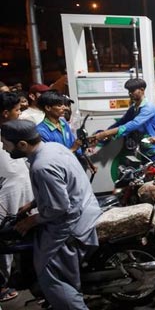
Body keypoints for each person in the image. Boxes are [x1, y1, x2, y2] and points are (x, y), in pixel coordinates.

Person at [1, 120, 101, 310]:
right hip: (87, 209)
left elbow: (59, 207)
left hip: (72, 225)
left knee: (51, 276)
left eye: (6, 144)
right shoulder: (55, 148)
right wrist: (33, 203)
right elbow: (65, 185)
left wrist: (32, 220)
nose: (5, 149)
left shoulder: (42, 166)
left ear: (22, 144)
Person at [0, 93, 33, 303]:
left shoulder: (13, 132)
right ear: (5, 113)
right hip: (6, 195)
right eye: (17, 110)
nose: (20, 114)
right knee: (4, 239)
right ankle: (2, 283)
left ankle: (19, 274)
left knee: (24, 232)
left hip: (23, 192)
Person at [90, 78, 155, 161]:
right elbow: (121, 122)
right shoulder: (134, 108)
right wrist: (102, 135)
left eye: (132, 90)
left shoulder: (148, 108)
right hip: (144, 152)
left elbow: (133, 124)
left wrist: (106, 133)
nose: (130, 93)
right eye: (129, 91)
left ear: (142, 90)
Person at [36, 91, 95, 174]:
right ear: (48, 108)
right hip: (58, 172)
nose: (65, 108)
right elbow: (50, 159)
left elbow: (73, 143)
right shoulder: (41, 131)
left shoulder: (63, 122)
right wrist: (72, 149)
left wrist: (87, 161)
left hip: (72, 167)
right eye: (60, 105)